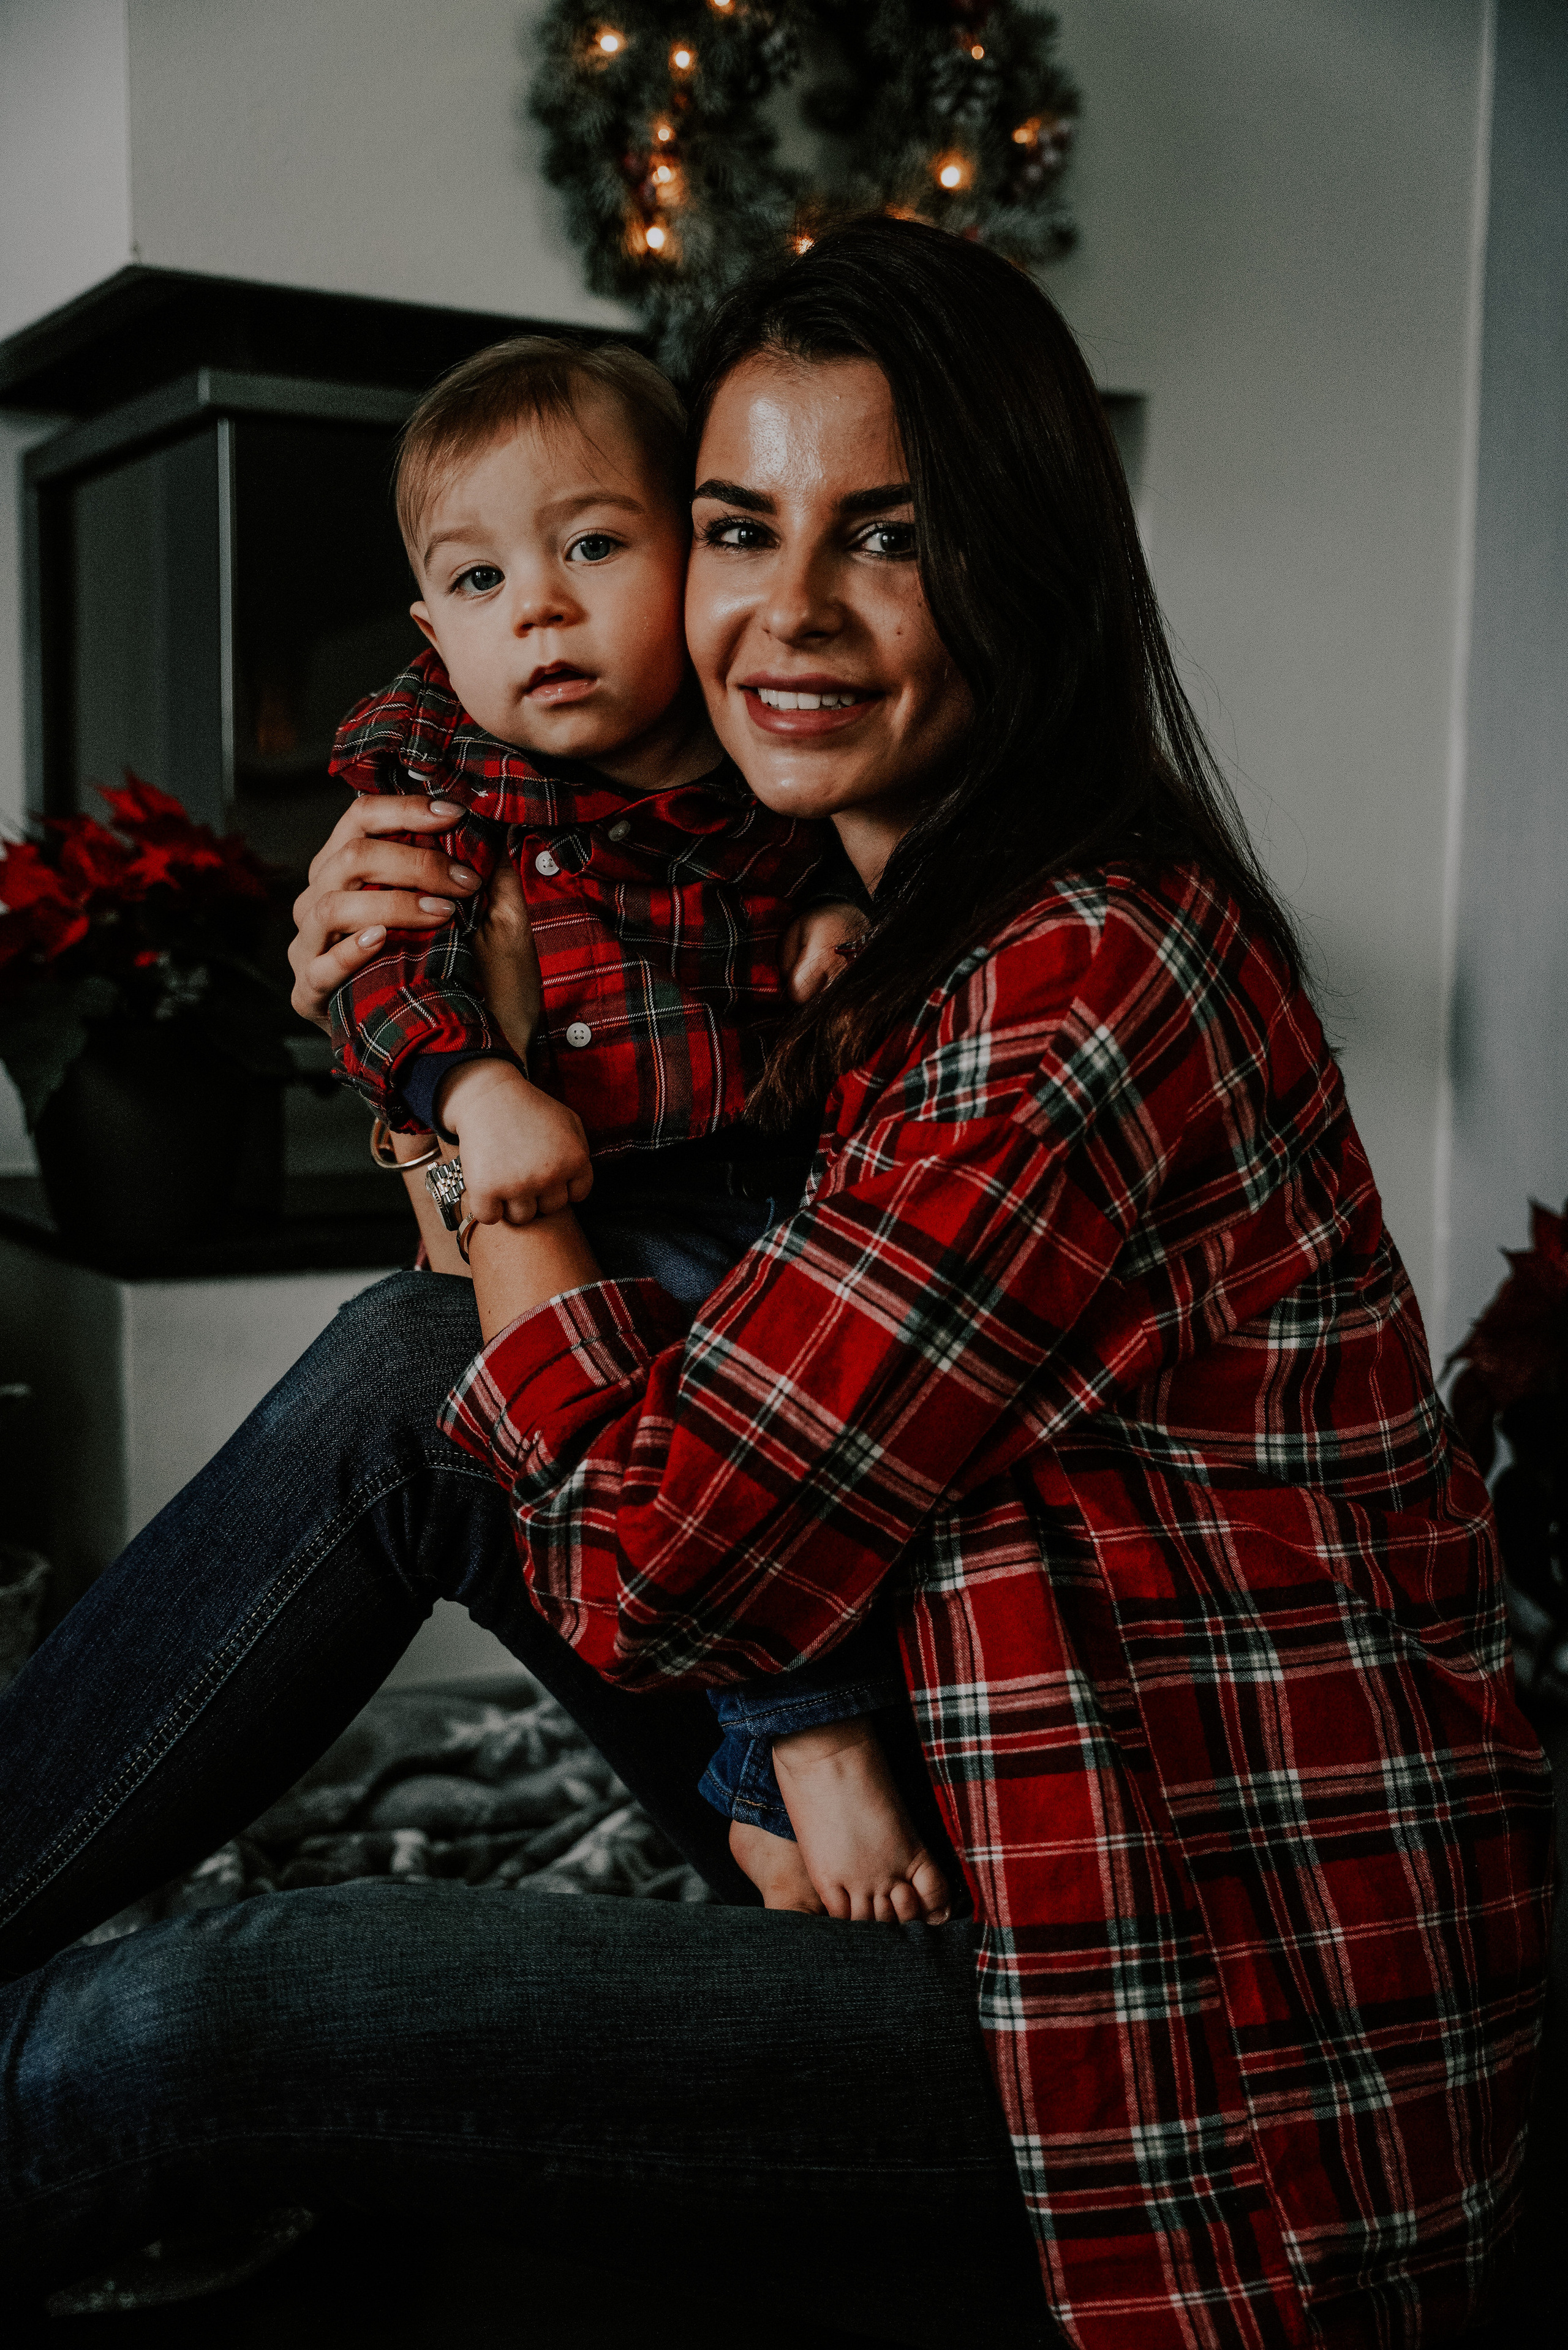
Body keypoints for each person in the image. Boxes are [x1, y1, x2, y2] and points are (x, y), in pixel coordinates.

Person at [0, 219, 1551, 2350]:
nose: (787, 613)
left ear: (1026, 574)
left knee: (183, 2028)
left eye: (888, 539)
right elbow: (511, 1334)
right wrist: (441, 1031)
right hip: (976, 1768)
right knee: (402, 1370)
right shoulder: (848, 920)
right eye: (741, 529)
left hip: (1167, 2022)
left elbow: (658, 1565)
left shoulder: (1081, 981)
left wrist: (486, 1124)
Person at [327, 331, 944, 1924]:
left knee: (822, 1433)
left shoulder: (760, 745)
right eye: (477, 583)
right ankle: (801, 1746)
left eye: (592, 548)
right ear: (428, 634)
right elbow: (380, 977)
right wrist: (475, 1091)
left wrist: (828, 920)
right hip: (611, 1191)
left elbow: (828, 863)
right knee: (707, 1431)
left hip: (776, 1185)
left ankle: (755, 1784)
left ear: (686, 564)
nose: (535, 606)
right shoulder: (440, 779)